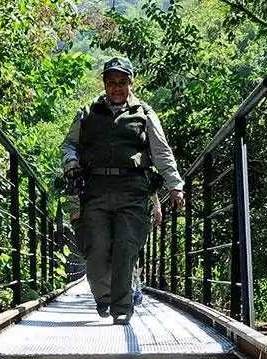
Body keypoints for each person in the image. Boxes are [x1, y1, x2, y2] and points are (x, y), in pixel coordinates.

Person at [62, 56, 185, 324]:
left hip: (133, 191)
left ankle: (121, 308)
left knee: (124, 249)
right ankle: (103, 298)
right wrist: (70, 161)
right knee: (96, 251)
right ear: (105, 84)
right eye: (111, 83)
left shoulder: (145, 114)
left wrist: (175, 185)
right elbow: (69, 144)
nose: (116, 88)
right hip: (94, 191)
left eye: (122, 82)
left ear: (131, 83)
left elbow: (161, 152)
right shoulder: (87, 112)